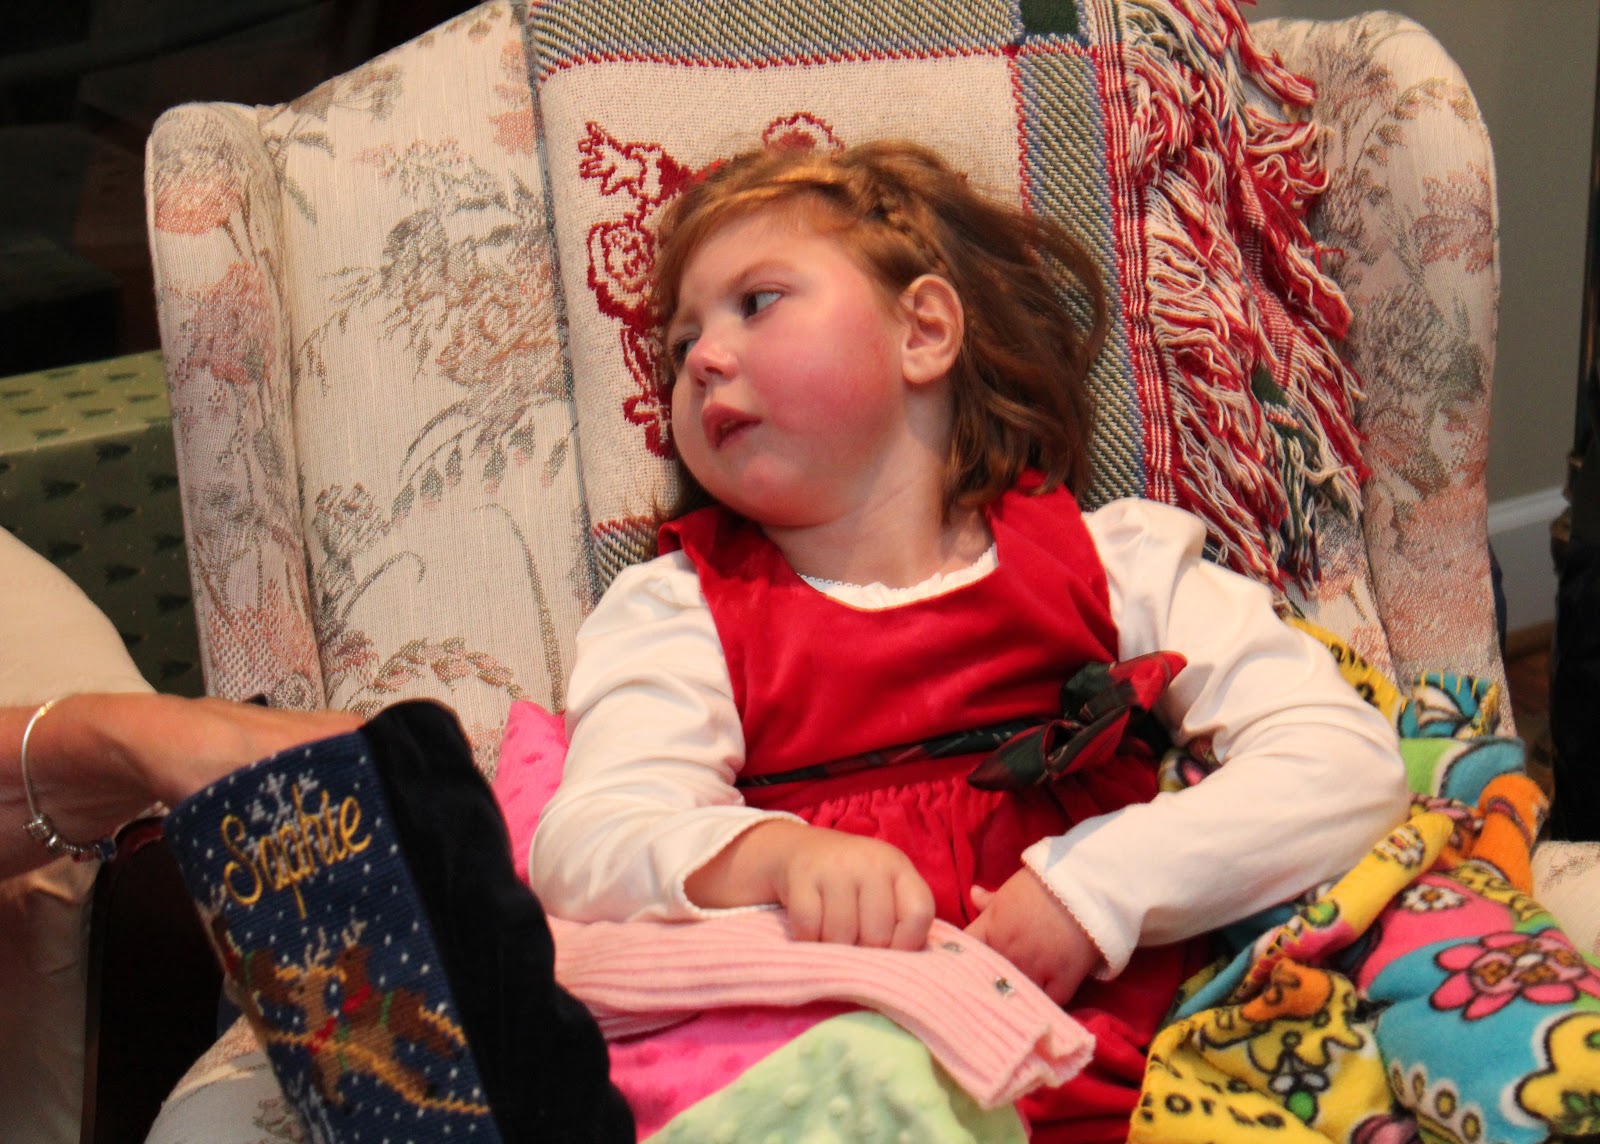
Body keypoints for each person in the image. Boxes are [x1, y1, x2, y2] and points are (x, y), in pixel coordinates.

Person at [527, 139, 1411, 1138]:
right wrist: (772, 854)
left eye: (756, 303)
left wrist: (1099, 889)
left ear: (923, 330)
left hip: (1143, 1071)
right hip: (854, 1085)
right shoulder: (681, 607)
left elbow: (1341, 760)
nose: (701, 359)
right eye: (682, 343)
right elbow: (588, 839)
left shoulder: (1113, 563)